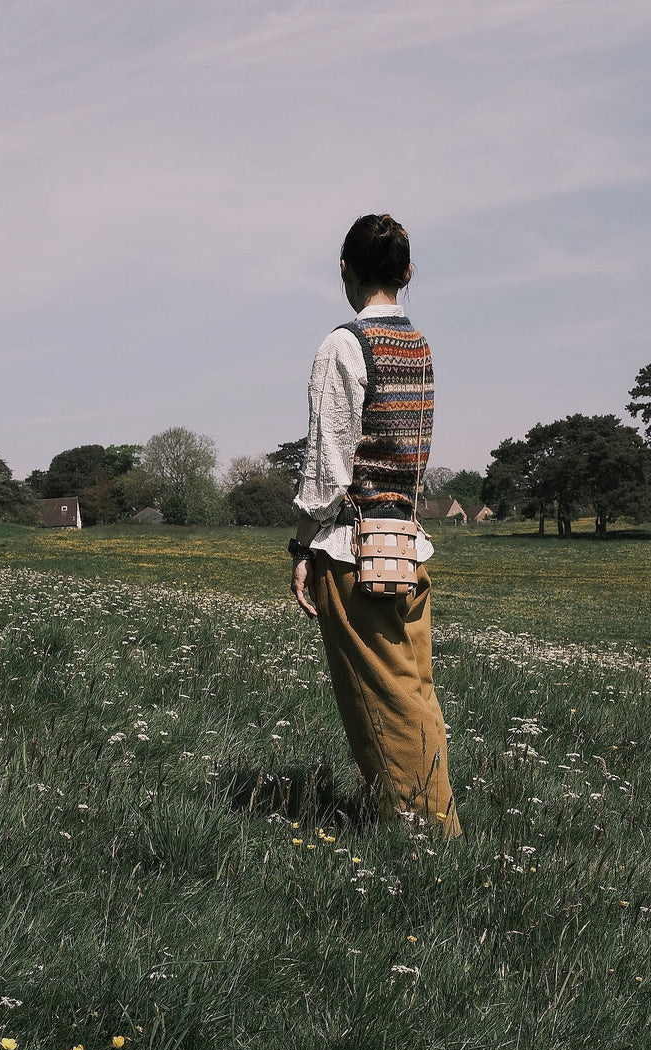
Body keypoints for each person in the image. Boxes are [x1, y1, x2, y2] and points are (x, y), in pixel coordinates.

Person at [289, 213, 460, 835]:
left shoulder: (344, 344)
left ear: (345, 270)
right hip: (408, 546)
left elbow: (328, 464)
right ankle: (436, 826)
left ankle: (418, 837)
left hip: (353, 551)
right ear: (407, 273)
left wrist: (302, 546)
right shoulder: (419, 345)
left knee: (380, 702)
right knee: (414, 690)